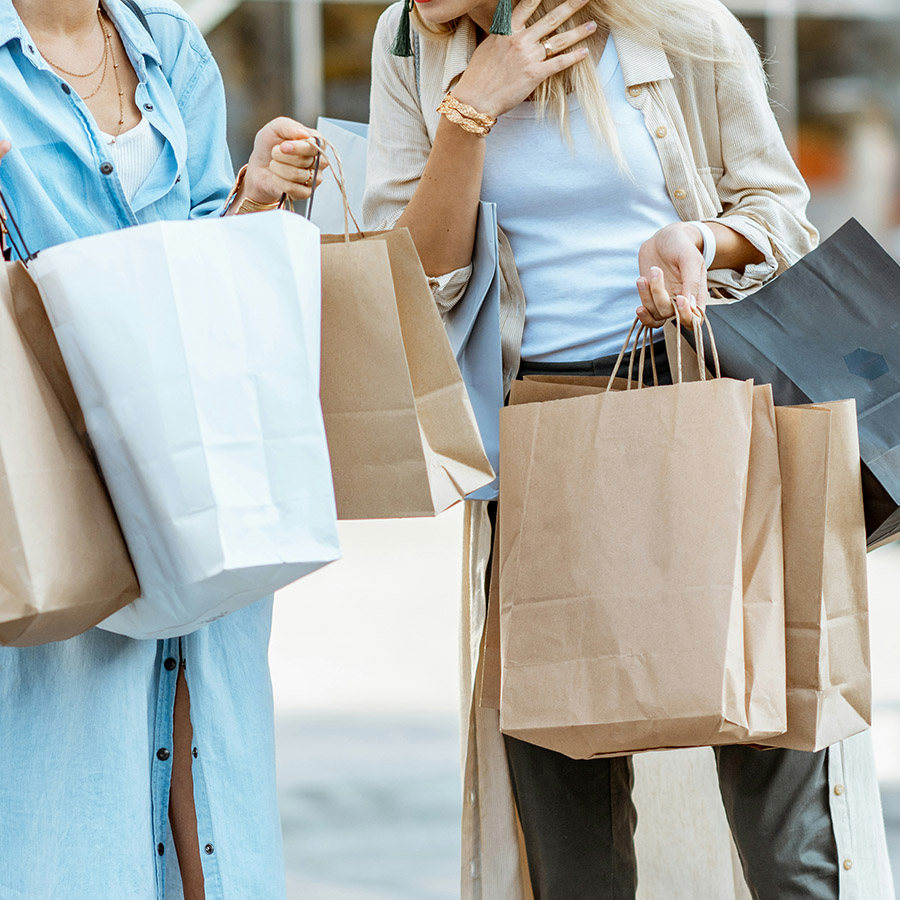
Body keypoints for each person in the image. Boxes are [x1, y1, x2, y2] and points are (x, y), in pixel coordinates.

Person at [363, 0, 895, 897]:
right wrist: (469, 112)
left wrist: (700, 238)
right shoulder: (408, 43)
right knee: (562, 812)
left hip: (709, 399)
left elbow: (779, 212)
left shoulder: (679, 26)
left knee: (782, 799)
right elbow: (414, 279)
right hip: (543, 433)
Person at [0, 1, 325, 897]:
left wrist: (252, 196)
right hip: (48, 466)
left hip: (181, 467)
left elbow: (199, 268)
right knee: (65, 784)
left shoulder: (167, 42)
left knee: (202, 765)